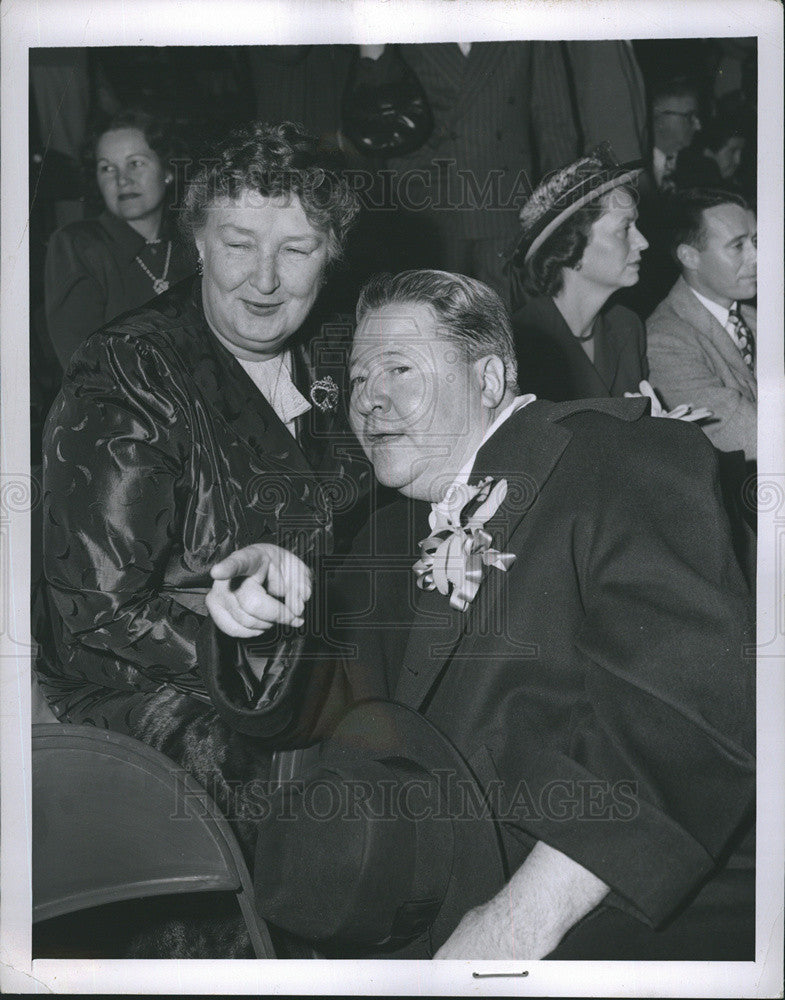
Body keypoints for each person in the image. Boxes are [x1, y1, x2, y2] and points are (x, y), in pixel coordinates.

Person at [204, 270, 755, 961]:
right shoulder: (382, 538)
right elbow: (306, 716)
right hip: (443, 907)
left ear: (488, 378)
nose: (368, 400)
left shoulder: (620, 457)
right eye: (356, 381)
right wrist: (264, 624)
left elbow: (683, 717)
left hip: (627, 903)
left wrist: (520, 919)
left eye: (397, 369)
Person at [34, 121, 367, 868]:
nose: (264, 280)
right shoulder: (129, 369)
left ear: (330, 257)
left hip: (308, 664)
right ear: (197, 243)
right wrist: (282, 676)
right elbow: (100, 613)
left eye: (297, 249)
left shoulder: (337, 350)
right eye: (238, 243)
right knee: (251, 775)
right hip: (149, 690)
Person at [354, 42, 578, 303]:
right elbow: (373, 108)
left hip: (505, 206)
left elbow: (555, 121)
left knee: (508, 325)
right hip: (426, 208)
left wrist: (560, 213)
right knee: (433, 324)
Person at [43, 108, 197, 371]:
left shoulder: (193, 242)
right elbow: (84, 367)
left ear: (167, 171)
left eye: (135, 163)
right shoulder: (77, 246)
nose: (122, 179)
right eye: (106, 168)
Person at [508, 147, 651, 399]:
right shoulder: (521, 344)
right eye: (625, 228)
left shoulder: (627, 327)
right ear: (572, 246)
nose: (642, 242)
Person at [646, 189, 757, 467]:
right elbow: (749, 436)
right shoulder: (664, 341)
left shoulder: (754, 317)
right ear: (690, 257)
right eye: (738, 246)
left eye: (756, 241)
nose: (757, 257)